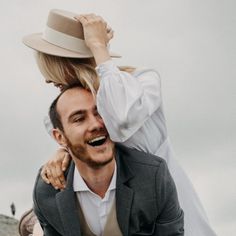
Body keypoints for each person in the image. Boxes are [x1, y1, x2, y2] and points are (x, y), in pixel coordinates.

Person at [21, 9, 217, 236]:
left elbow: (120, 120)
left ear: (68, 63)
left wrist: (98, 47)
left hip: (160, 207)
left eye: (50, 66)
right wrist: (63, 152)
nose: (46, 79)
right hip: (113, 210)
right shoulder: (59, 112)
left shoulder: (141, 82)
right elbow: (83, 146)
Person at [34, 84, 184, 235]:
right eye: (79, 119)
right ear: (60, 137)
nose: (95, 124)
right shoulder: (46, 191)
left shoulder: (153, 177)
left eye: (99, 113)